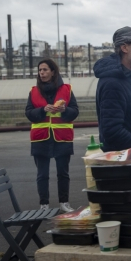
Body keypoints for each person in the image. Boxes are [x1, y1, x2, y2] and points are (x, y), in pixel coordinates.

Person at [25, 59, 79, 212]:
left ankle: (64, 203)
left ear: (53, 72)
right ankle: (44, 205)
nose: (41, 73)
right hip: (40, 137)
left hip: (62, 137)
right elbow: (28, 113)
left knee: (63, 172)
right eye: (40, 70)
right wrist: (42, 110)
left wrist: (64, 111)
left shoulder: (67, 90)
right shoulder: (33, 91)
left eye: (45, 70)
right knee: (42, 174)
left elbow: (75, 111)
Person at [94, 26, 131, 151]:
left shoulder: (126, 76)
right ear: (124, 48)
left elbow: (125, 117)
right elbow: (112, 132)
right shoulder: (112, 83)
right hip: (124, 164)